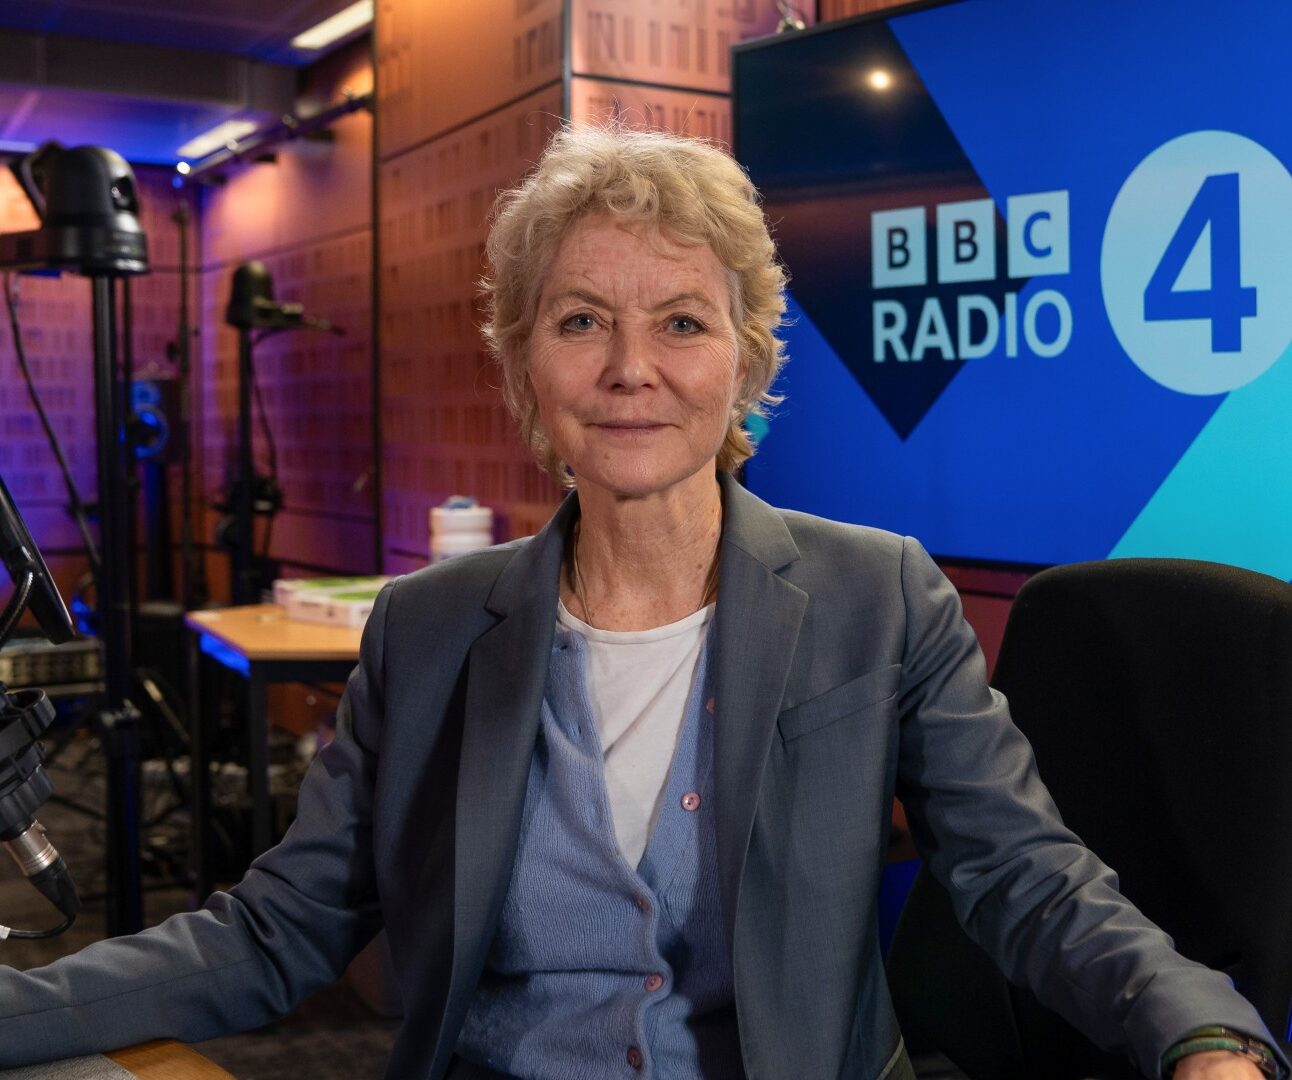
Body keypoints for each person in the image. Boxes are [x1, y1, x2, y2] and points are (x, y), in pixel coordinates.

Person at [0, 125, 1285, 1080]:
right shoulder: (426, 627)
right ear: (523, 365)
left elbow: (1026, 876)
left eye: (680, 322)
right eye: (578, 321)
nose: (629, 369)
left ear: (745, 360)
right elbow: (277, 930)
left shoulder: (878, 593)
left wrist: (1199, 1032)